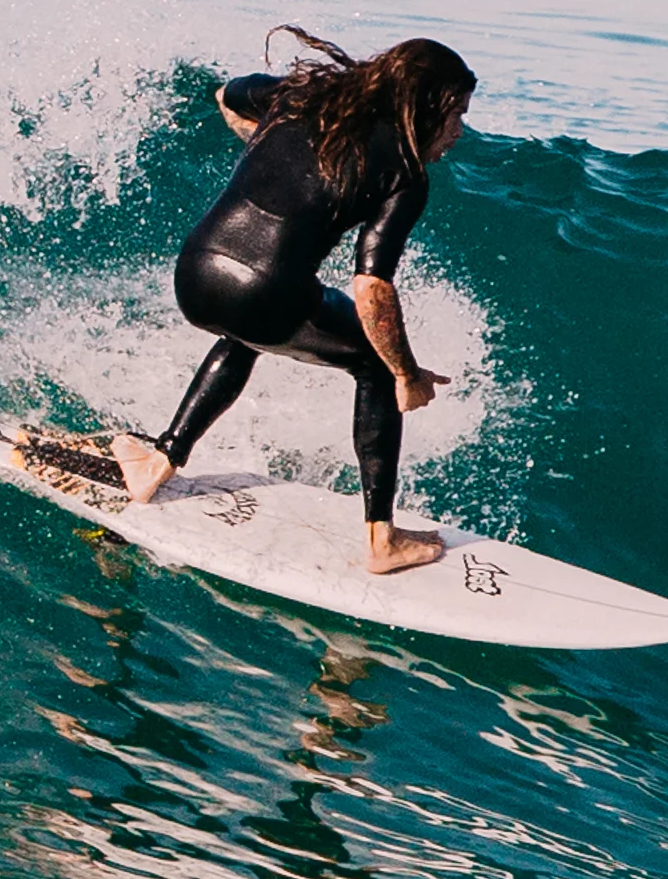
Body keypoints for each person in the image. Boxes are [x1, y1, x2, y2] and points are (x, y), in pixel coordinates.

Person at [110, 29, 476, 574]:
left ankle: (160, 459)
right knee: (373, 361)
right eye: (455, 115)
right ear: (424, 109)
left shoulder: (300, 100)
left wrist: (264, 143)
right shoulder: (404, 171)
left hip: (196, 274)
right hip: (268, 293)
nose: (458, 132)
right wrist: (404, 373)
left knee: (245, 333)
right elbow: (372, 287)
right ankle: (383, 538)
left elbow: (228, 94)